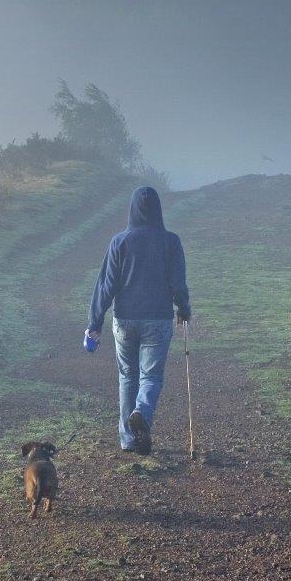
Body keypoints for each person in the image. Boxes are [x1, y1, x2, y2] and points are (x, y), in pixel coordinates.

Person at [85, 185, 191, 454]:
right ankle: (142, 411)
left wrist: (94, 323)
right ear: (158, 209)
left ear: (131, 209)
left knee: (127, 376)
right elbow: (178, 283)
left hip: (124, 319)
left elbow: (106, 285)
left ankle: (129, 440)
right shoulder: (171, 242)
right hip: (158, 319)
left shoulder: (119, 242)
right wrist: (184, 309)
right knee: (151, 377)